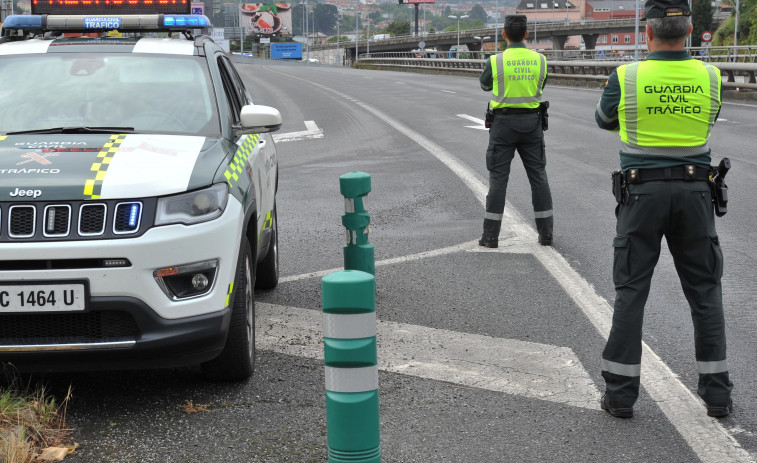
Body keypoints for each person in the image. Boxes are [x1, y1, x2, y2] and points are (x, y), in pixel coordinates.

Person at [595, 0, 733, 418]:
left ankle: (620, 397)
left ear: (648, 33)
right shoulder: (711, 76)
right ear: (690, 31)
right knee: (705, 291)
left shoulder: (626, 75)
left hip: (641, 195)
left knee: (631, 291)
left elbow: (604, 120)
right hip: (695, 193)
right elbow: (709, 120)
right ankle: (717, 396)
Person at [478, 15, 553, 248]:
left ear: (503, 34)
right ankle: (546, 234)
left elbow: (484, 84)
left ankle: (491, 237)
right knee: (538, 177)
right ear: (527, 34)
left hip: (503, 125)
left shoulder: (496, 61)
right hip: (532, 124)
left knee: (498, 180)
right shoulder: (540, 60)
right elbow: (540, 86)